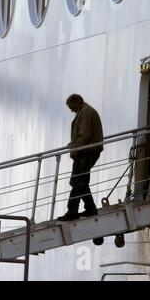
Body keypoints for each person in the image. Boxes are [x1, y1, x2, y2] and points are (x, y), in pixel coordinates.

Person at [58, 94, 104, 222]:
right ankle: (90, 208)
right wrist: (73, 145)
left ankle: (73, 211)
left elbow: (84, 136)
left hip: (86, 152)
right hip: (87, 151)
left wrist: (75, 149)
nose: (71, 110)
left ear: (78, 102)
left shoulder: (86, 113)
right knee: (81, 182)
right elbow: (83, 136)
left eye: (71, 107)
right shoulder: (85, 111)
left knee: (77, 182)